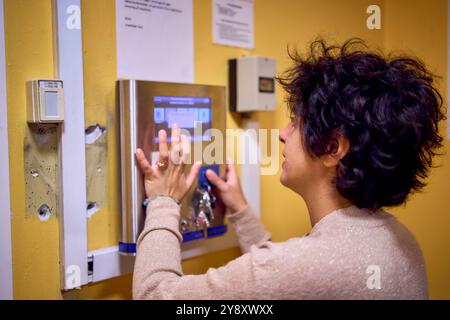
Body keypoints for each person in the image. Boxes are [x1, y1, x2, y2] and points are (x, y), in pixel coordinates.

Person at [132, 38, 446, 299]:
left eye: (295, 122)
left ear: (332, 148)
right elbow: (289, 279)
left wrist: (163, 201)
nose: (282, 133)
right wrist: (241, 212)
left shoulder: (303, 269)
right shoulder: (401, 241)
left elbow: (154, 296)